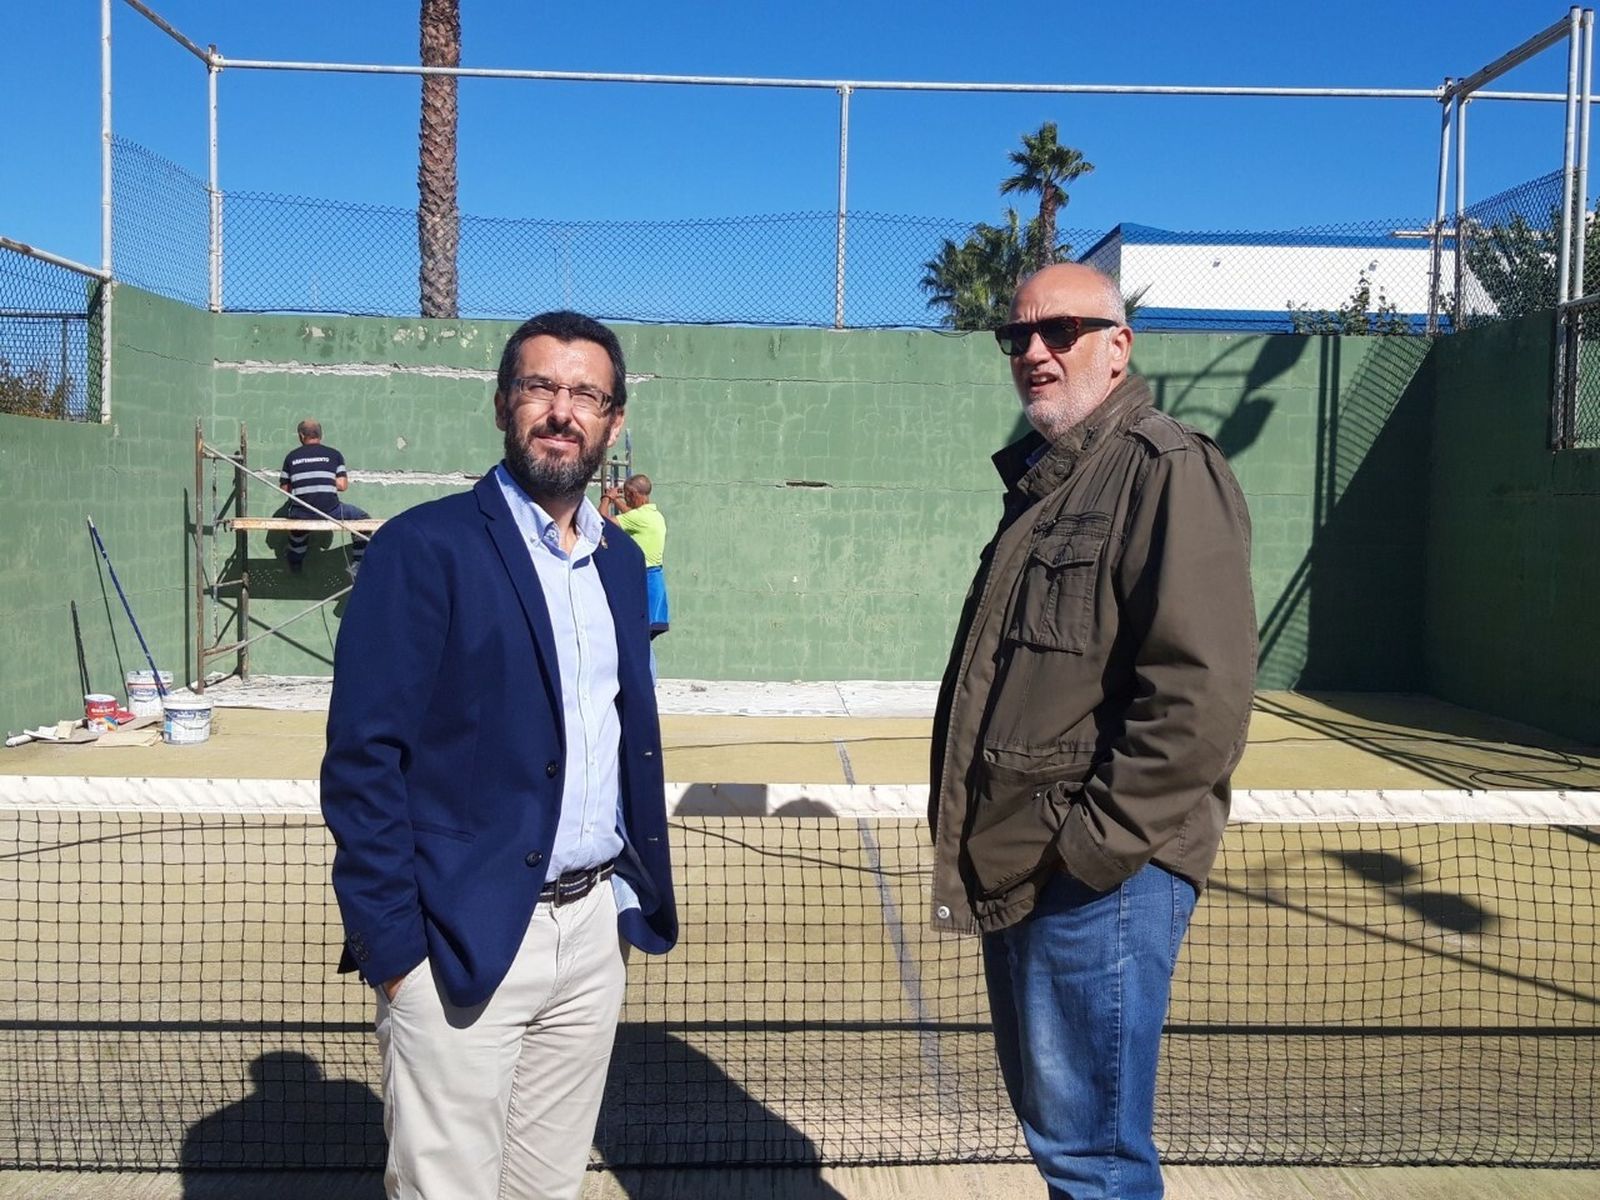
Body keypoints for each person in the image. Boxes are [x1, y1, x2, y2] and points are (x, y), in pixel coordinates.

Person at [320, 310, 678, 1200]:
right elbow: (363, 760)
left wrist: (620, 911)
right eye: (540, 388)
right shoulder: (423, 547)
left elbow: (616, 735)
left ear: (613, 422)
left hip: (593, 936)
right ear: (502, 406)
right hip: (457, 940)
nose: (562, 411)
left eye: (585, 394)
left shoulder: (620, 568)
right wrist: (395, 950)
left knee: (546, 1190)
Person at [927, 263, 1256, 1199]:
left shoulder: (1166, 471)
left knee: (1093, 1161)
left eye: (1060, 331)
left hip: (1096, 880)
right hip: (1033, 863)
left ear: (1118, 348)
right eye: (1017, 336)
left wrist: (1094, 847)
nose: (1033, 350)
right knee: (1065, 1145)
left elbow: (1201, 698)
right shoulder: (1051, 485)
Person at [277, 419, 370, 576]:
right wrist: (324, 479)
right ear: (321, 435)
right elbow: (342, 486)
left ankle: (295, 560)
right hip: (330, 511)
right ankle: (358, 564)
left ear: (301, 436)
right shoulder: (334, 455)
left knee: (298, 525)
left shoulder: (291, 457)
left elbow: (285, 489)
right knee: (363, 520)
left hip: (301, 512)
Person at [600, 474, 669, 638]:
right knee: (643, 639)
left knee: (639, 639)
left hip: (642, 581)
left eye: (627, 496)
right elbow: (631, 515)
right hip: (654, 581)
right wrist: (617, 501)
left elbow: (600, 522)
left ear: (633, 494)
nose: (627, 500)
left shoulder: (638, 518)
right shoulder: (655, 515)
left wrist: (607, 498)